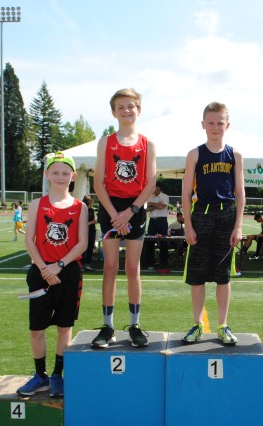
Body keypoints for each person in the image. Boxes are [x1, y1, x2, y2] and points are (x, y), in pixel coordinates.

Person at [17, 152, 88, 398]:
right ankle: (40, 375)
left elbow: (81, 244)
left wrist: (58, 265)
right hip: (40, 272)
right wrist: (44, 268)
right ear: (47, 174)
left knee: (64, 327)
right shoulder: (38, 204)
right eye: (55, 172)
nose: (60, 177)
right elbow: (29, 240)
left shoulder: (81, 207)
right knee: (37, 328)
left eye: (65, 173)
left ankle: (58, 374)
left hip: (67, 272)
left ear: (73, 176)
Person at [92, 88, 157, 348]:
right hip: (110, 208)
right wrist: (114, 215)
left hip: (135, 209)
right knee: (109, 268)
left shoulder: (147, 143)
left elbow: (150, 183)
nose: (126, 110)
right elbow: (98, 183)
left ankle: (135, 324)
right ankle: (107, 327)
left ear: (139, 109)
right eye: (121, 107)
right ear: (113, 112)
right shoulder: (105, 142)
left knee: (132, 269)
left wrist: (130, 212)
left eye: (131, 106)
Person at [181, 102, 245, 345]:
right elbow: (186, 193)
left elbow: (240, 193)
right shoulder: (195, 154)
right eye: (211, 122)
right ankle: (197, 324)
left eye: (220, 123)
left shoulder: (235, 155)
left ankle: (222, 325)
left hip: (227, 215)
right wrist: (188, 224)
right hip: (202, 215)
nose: (215, 127)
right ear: (203, 125)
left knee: (223, 275)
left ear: (227, 125)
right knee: (197, 275)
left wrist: (238, 225)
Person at [144, 182, 170, 269]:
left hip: (162, 221)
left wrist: (153, 204)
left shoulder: (165, 196)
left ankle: (163, 262)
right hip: (152, 221)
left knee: (163, 241)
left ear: (158, 188)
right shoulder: (150, 196)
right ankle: (150, 263)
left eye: (154, 187)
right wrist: (156, 205)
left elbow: (162, 206)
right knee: (150, 242)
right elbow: (148, 208)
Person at [82, 195, 97, 271]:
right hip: (84, 232)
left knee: (90, 247)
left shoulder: (91, 210)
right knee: (84, 248)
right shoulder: (82, 210)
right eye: (91, 201)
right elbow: (82, 224)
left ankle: (87, 264)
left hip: (91, 231)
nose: (93, 202)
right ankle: (81, 264)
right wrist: (92, 222)